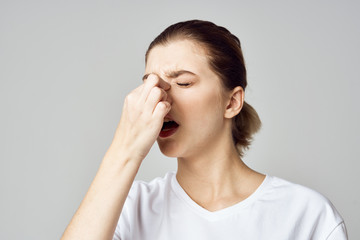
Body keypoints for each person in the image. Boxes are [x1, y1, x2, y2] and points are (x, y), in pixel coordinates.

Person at [61, 20, 348, 240]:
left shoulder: (306, 215)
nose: (159, 99)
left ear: (232, 102)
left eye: (183, 83)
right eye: (151, 84)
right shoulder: (126, 206)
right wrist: (125, 150)